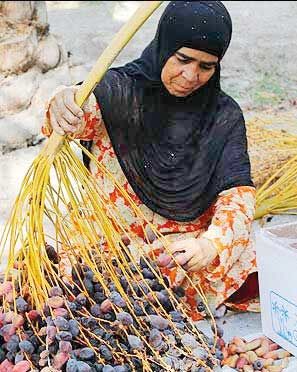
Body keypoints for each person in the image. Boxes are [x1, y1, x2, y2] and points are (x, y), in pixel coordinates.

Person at [42, 1, 259, 320]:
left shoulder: (223, 116)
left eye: (206, 66)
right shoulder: (118, 90)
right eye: (183, 59)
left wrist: (211, 246)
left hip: (180, 252)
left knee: (245, 254)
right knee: (74, 274)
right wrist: (61, 103)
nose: (191, 75)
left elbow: (238, 198)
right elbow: (75, 113)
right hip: (110, 245)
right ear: (164, 45)